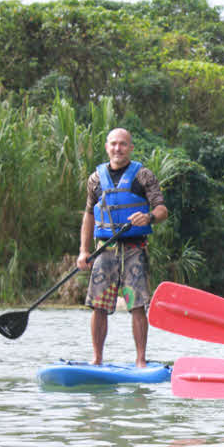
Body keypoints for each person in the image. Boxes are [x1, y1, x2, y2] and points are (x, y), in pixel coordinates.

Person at [76, 128, 168, 368]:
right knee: (98, 305)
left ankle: (140, 360)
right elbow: (88, 215)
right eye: (114, 144)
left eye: (123, 144)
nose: (118, 148)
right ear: (107, 147)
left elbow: (162, 210)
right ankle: (97, 359)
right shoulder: (95, 179)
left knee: (137, 305)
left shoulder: (143, 176)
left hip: (134, 249)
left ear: (131, 148)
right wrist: (83, 252)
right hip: (104, 251)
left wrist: (148, 217)